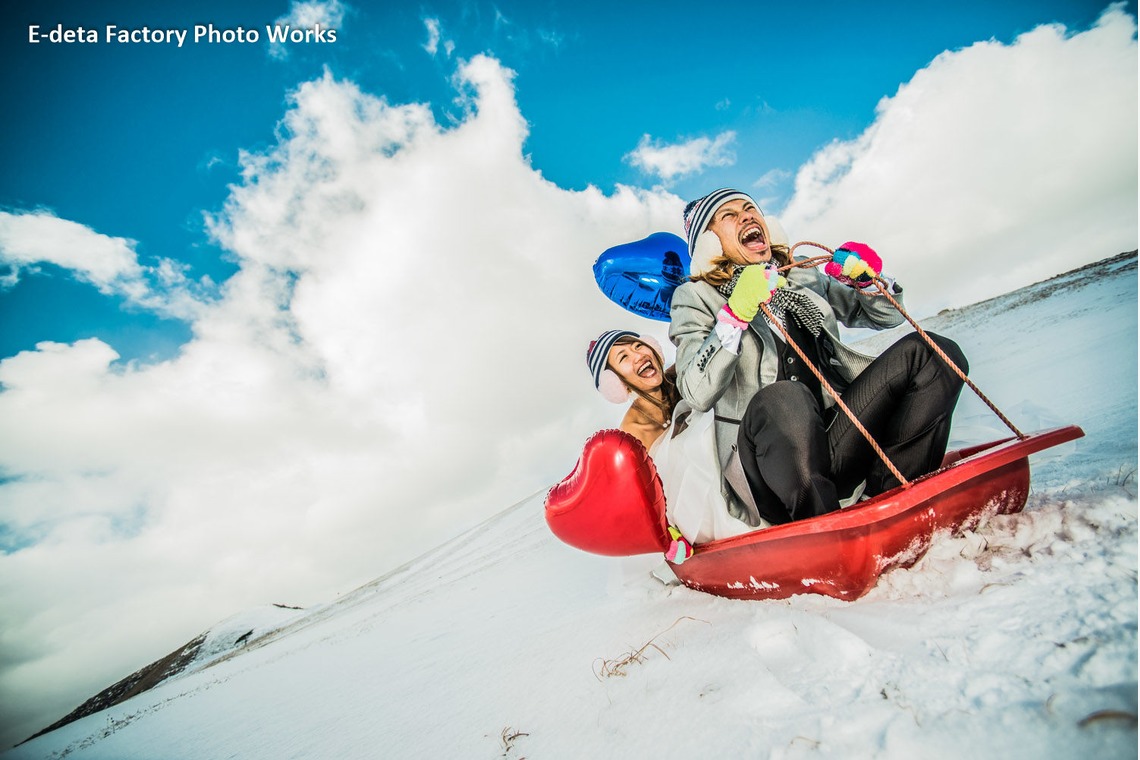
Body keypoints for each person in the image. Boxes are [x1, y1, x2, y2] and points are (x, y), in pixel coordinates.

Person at [669, 188, 969, 528]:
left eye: (750, 208)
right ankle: (826, 530)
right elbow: (695, 390)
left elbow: (886, 316)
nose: (747, 216)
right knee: (784, 395)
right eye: (729, 215)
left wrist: (867, 283)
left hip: (835, 440)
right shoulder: (694, 297)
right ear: (710, 242)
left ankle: (890, 497)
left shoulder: (799, 276)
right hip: (768, 470)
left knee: (931, 353)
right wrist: (735, 313)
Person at [586, 329, 754, 546]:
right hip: (697, 511)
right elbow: (632, 502)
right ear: (616, 384)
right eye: (624, 357)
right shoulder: (631, 434)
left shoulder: (684, 376)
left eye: (638, 346)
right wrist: (667, 536)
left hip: (736, 466)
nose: (638, 355)